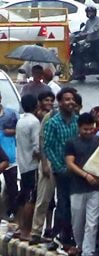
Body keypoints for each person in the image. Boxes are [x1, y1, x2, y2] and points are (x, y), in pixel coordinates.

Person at [43, 87, 79, 249]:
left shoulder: (78, 121)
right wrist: (59, 166)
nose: (70, 102)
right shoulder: (52, 123)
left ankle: (70, 235)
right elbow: (48, 147)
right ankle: (58, 234)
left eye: (72, 99)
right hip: (62, 170)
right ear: (60, 102)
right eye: (66, 99)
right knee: (63, 203)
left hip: (78, 170)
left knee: (75, 203)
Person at [65, 112, 99, 256]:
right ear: (79, 128)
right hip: (77, 187)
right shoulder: (71, 143)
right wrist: (86, 175)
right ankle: (81, 246)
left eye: (90, 129)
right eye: (85, 129)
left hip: (96, 188)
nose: (88, 132)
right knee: (77, 220)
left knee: (92, 220)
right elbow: (70, 163)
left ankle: (88, 251)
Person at [29, 91, 56, 244]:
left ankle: (52, 230)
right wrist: (44, 163)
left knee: (58, 201)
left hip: (64, 163)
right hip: (47, 162)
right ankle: (36, 231)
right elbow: (42, 141)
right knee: (43, 198)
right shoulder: (48, 118)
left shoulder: (75, 120)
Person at [14, 95, 40, 240]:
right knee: (31, 198)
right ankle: (26, 231)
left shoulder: (21, 121)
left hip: (23, 164)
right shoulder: (34, 122)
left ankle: (20, 226)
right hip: (32, 165)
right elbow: (36, 147)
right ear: (36, 105)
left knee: (24, 195)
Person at [73, 6, 99, 82]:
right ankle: (81, 73)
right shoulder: (88, 21)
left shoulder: (98, 20)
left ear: (94, 13)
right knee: (80, 53)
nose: (89, 14)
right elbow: (85, 30)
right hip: (90, 41)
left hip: (98, 41)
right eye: (88, 12)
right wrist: (77, 35)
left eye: (91, 12)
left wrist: (84, 34)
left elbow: (93, 30)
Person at [0, 97, 18, 220]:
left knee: (12, 186)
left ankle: (13, 212)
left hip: (9, 155)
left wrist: (10, 132)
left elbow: (20, 129)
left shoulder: (11, 114)